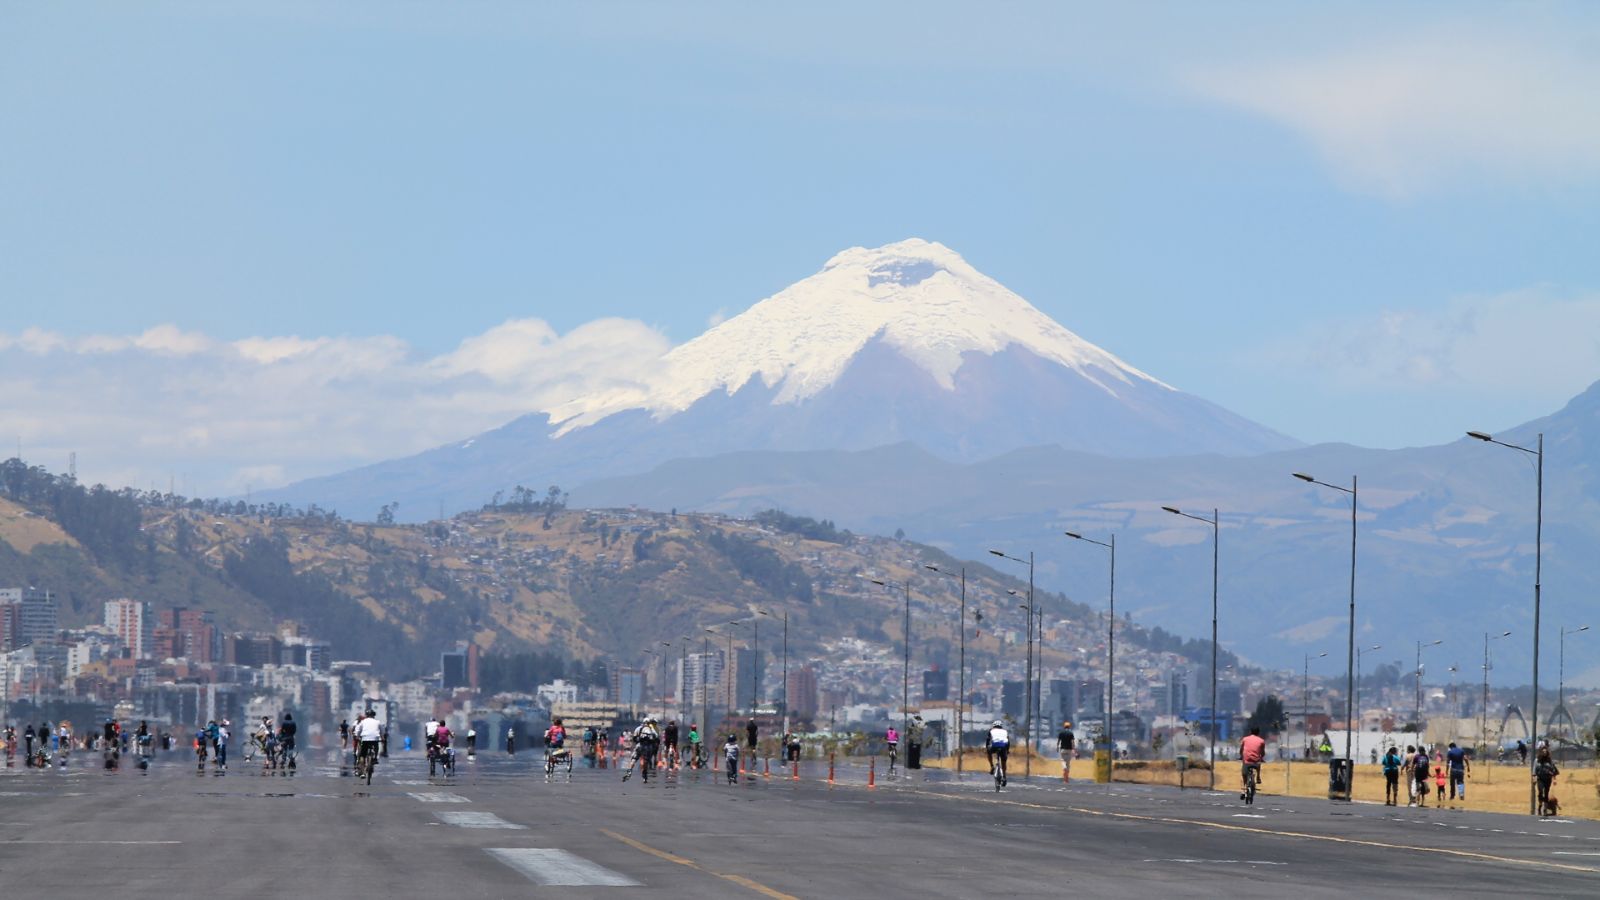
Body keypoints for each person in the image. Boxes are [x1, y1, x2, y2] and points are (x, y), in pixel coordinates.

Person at [626, 716, 662, 783]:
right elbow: (657, 738)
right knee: (645, 761)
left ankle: (629, 771)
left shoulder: (638, 728)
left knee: (633, 759)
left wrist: (638, 742)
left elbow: (634, 738)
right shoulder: (651, 729)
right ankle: (644, 776)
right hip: (647, 747)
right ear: (649, 723)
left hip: (639, 746)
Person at [1238, 726, 1266, 801]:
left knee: (1244, 775)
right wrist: (1261, 757)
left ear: (1250, 732)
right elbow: (1262, 753)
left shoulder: (1245, 739)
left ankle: (1243, 791)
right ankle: (1258, 777)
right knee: (1259, 762)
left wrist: (1241, 756)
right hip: (1256, 761)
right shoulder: (1261, 741)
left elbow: (1241, 750)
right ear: (1258, 733)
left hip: (1247, 761)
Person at [1535, 747, 1559, 815]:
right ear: (1541, 752)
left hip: (1548, 779)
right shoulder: (1537, 760)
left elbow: (1554, 770)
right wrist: (1534, 776)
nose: (1544, 753)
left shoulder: (1550, 761)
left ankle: (1545, 808)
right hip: (1540, 779)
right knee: (1540, 792)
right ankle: (1540, 806)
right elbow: (1534, 769)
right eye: (1543, 751)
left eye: (1545, 752)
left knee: (1546, 793)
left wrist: (1554, 779)